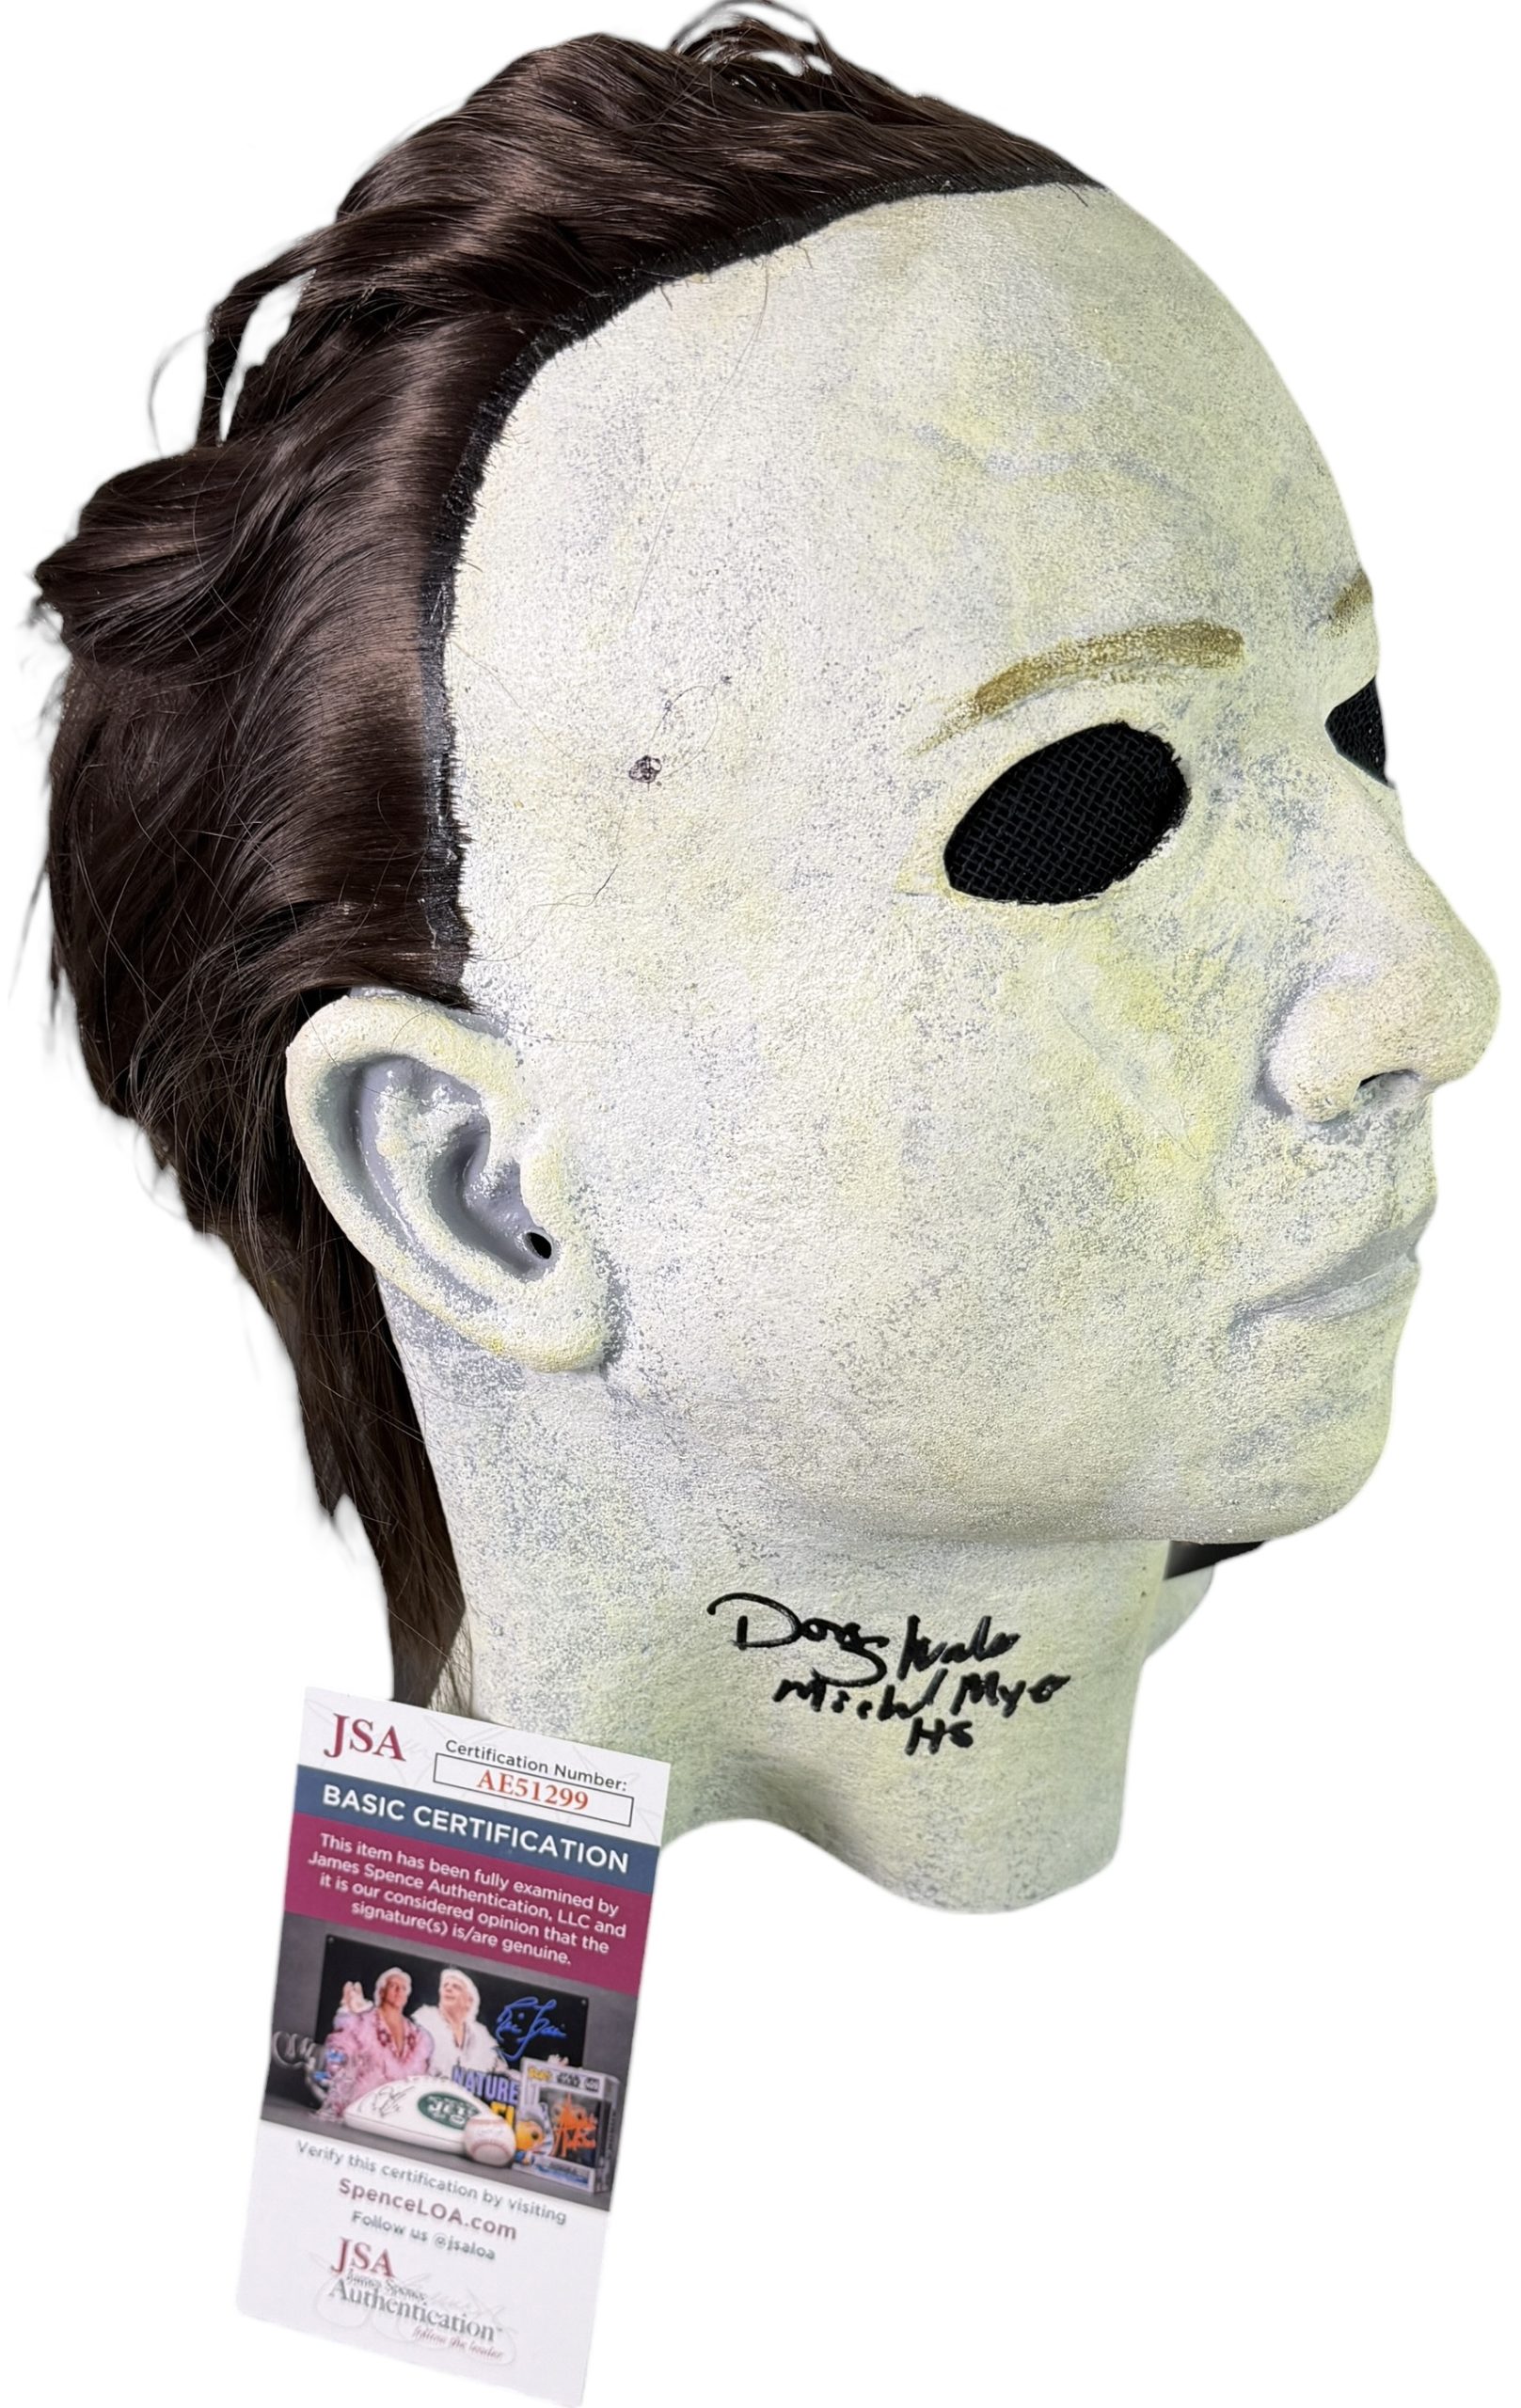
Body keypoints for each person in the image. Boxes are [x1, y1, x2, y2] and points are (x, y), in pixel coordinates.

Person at [317, 1968, 432, 2119]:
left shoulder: (418, 2036)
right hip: (358, 2105)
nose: (399, 1991)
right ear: (382, 1991)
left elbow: (420, 2077)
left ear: (407, 1996)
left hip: (395, 2113)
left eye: (403, 1988)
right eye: (393, 1986)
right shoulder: (361, 2020)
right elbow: (339, 2052)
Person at [412, 1969, 510, 2087]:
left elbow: (502, 2073)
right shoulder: (423, 2022)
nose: (448, 1988)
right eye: (445, 1985)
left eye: (456, 1987)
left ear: (469, 2001)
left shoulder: (482, 2038)